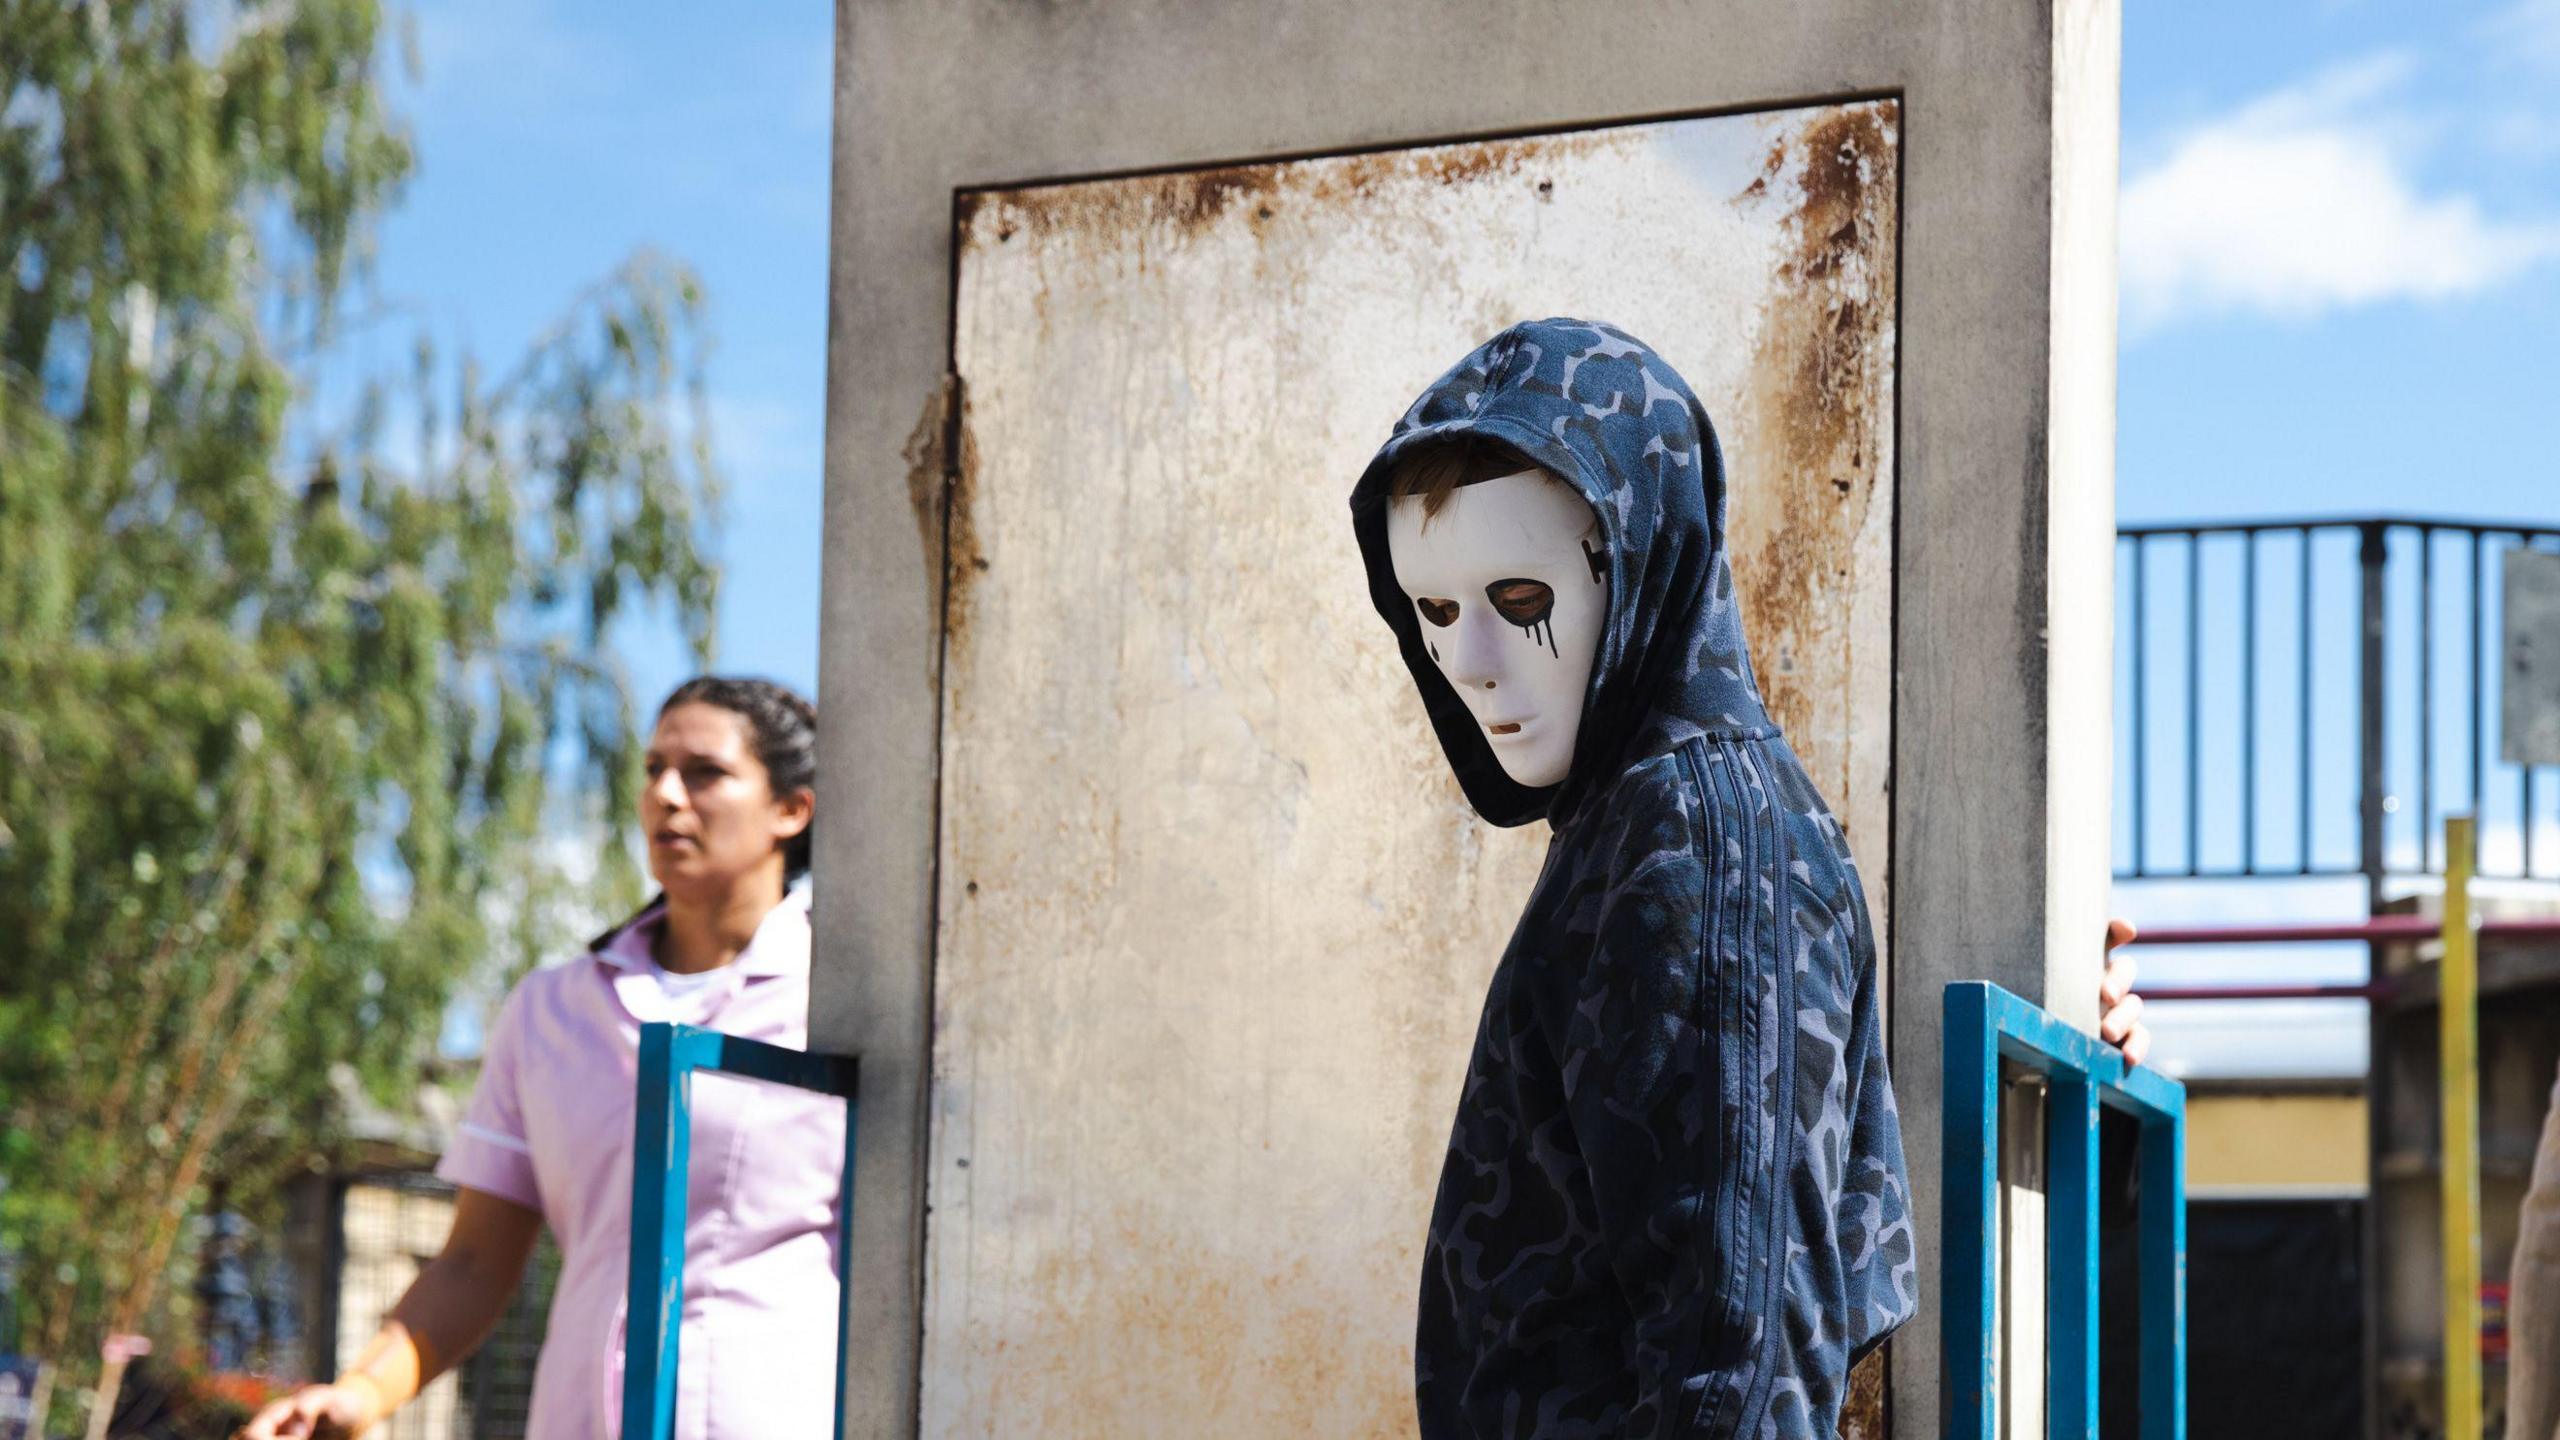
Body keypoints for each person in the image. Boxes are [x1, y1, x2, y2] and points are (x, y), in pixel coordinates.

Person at [1350, 317, 2150, 1438]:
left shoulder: (1701, 850)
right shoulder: (1637, 829)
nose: (1471, 664)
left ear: (1639, 564)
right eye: (1434, 612)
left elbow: (1743, 1363)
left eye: (1518, 600)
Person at [241, 677, 836, 1439]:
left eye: (704, 772)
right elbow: (473, 1263)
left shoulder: (842, 1001)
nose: (666, 795)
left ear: (792, 809)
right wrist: (360, 1393)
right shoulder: (552, 1008)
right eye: (653, 769)